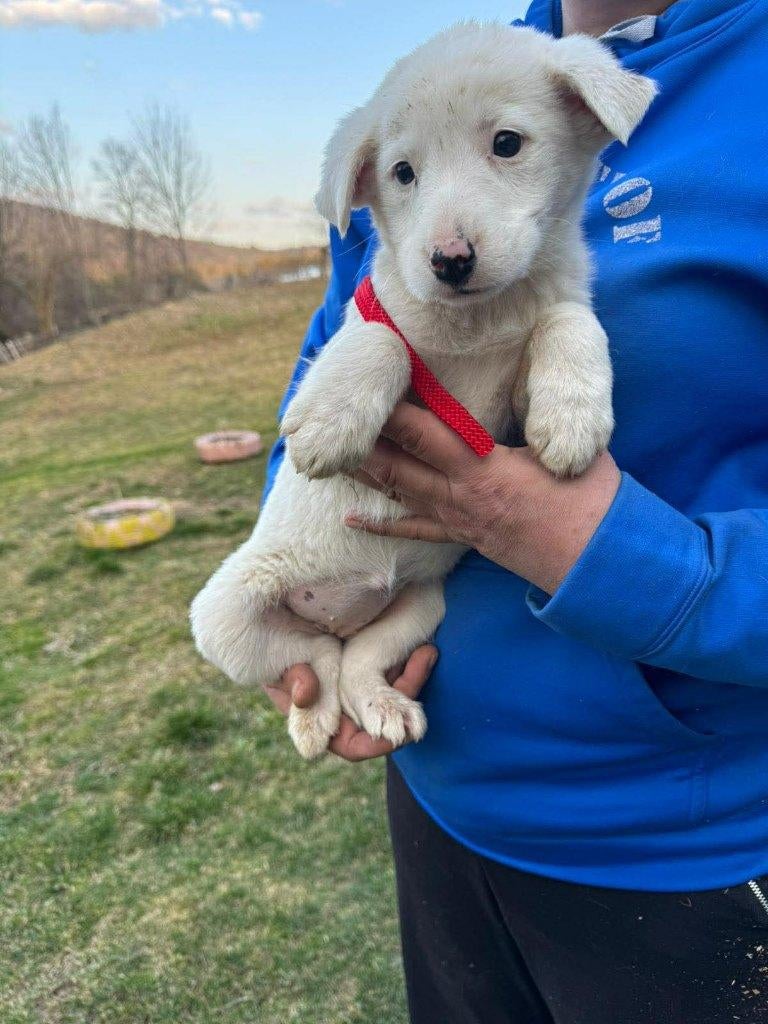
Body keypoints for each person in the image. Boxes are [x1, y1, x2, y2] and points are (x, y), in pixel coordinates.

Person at [263, 2, 768, 1021]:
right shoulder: (445, 84)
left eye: (507, 148)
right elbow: (331, 366)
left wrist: (619, 554)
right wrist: (307, 604)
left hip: (684, 852)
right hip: (443, 793)